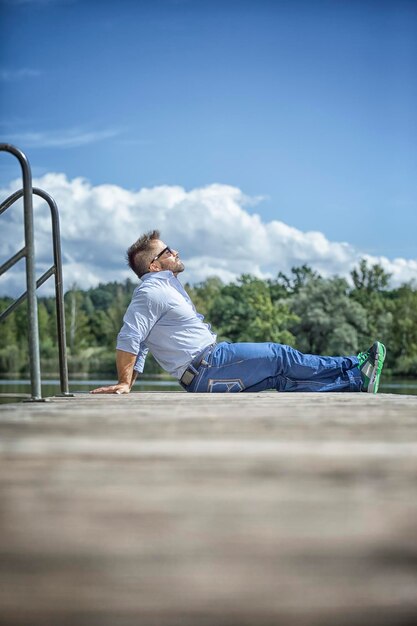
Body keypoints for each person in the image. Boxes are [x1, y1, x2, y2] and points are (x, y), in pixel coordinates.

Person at [91, 230, 386, 395]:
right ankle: (354, 362)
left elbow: (140, 344)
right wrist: (123, 382)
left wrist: (128, 382)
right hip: (208, 365)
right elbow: (130, 336)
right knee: (280, 355)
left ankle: (355, 381)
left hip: (205, 369)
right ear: (154, 265)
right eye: (167, 251)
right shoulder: (151, 290)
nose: (175, 252)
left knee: (280, 378)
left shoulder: (164, 286)